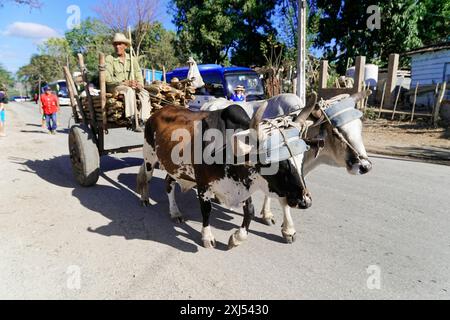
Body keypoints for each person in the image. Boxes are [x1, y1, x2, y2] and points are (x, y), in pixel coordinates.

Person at [105, 33, 151, 132]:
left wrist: (139, 84)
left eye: (120, 44)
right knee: (129, 90)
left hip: (131, 85)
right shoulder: (110, 59)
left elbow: (138, 74)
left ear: (125, 46)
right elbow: (107, 79)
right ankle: (133, 119)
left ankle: (144, 120)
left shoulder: (132, 59)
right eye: (115, 44)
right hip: (115, 87)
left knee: (144, 93)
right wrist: (123, 82)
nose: (117, 46)